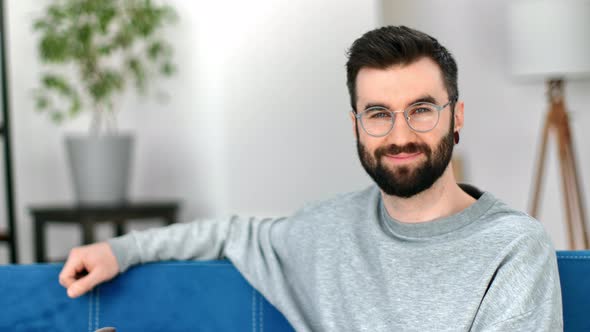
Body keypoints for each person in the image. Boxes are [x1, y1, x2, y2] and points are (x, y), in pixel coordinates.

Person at [59, 26, 563, 331]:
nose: (401, 133)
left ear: (457, 117)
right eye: (379, 114)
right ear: (357, 127)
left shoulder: (512, 248)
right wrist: (119, 252)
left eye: (423, 109)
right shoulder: (326, 231)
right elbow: (233, 233)